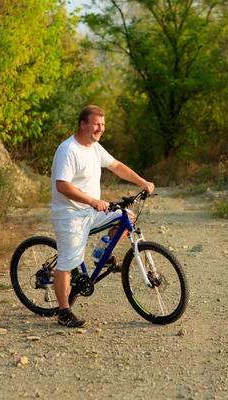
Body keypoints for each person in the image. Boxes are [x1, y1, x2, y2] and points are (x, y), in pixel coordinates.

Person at [50, 105, 155, 328]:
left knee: (127, 217)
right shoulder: (68, 150)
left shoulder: (95, 148)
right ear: (83, 124)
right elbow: (62, 185)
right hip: (69, 214)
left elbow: (116, 166)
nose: (101, 129)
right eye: (97, 124)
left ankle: (101, 253)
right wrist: (91, 201)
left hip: (91, 211)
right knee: (67, 263)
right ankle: (63, 312)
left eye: (103, 125)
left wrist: (141, 182)